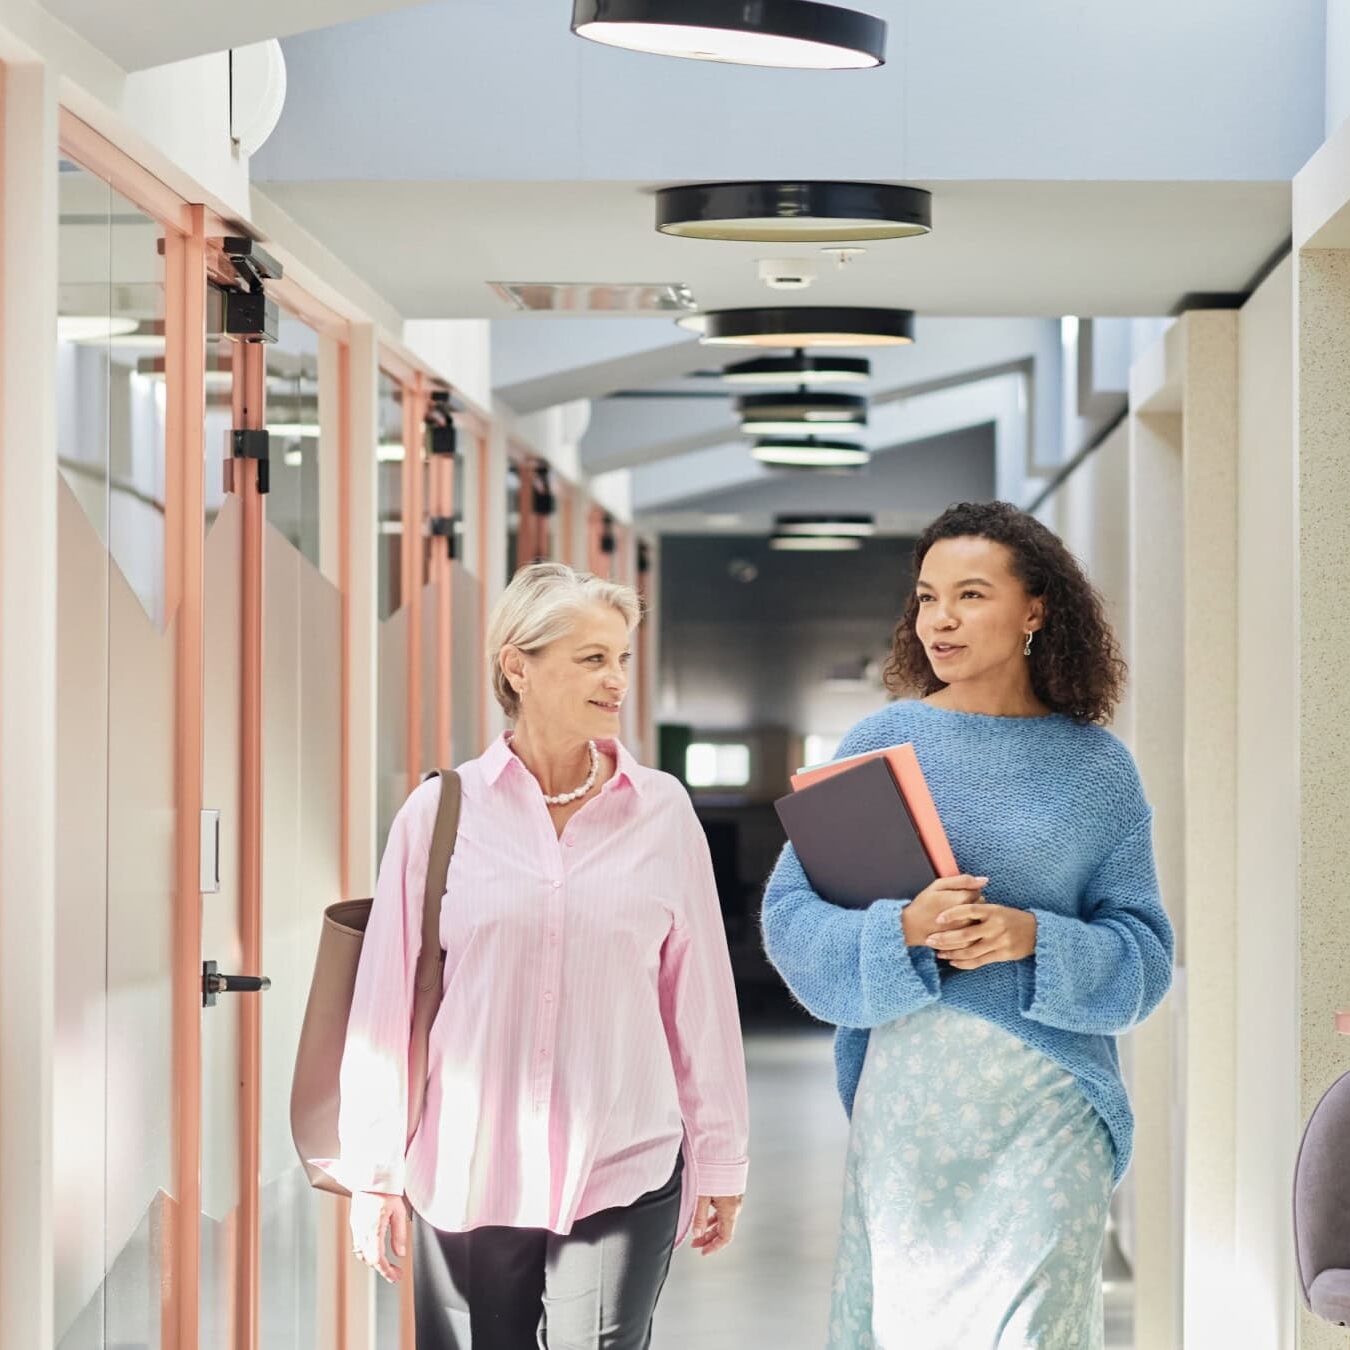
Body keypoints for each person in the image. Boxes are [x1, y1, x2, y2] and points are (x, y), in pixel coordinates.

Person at [762, 501, 1174, 1349]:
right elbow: (792, 919)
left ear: (1036, 610)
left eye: (971, 594)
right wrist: (902, 930)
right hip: (910, 1104)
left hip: (1052, 1102)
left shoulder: (1099, 769)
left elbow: (1145, 955)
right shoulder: (880, 740)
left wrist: (1036, 939)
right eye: (927, 597)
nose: (940, 619)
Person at [334, 562, 749, 1350]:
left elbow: (699, 1001)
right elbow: (383, 1009)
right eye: (592, 658)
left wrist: (721, 1160)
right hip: (468, 1164)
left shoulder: (662, 812)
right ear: (517, 666)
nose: (616, 679)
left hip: (623, 1159)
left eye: (621, 657)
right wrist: (374, 1171)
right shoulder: (439, 813)